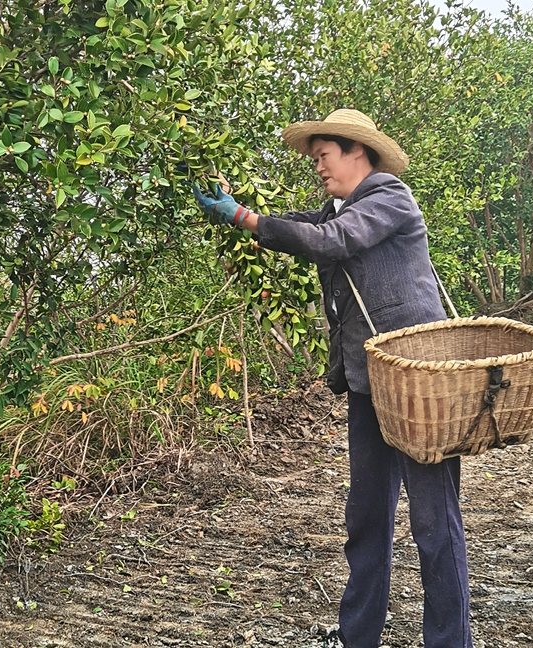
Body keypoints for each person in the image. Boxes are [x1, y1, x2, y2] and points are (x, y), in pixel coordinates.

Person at [192, 109, 473, 648]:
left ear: (356, 153)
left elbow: (331, 241)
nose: (317, 166)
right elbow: (309, 227)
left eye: (322, 156)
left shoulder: (390, 198)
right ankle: (357, 638)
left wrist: (245, 219)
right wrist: (239, 211)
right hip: (371, 383)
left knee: (435, 524)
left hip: (420, 387)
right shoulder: (336, 210)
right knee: (366, 518)